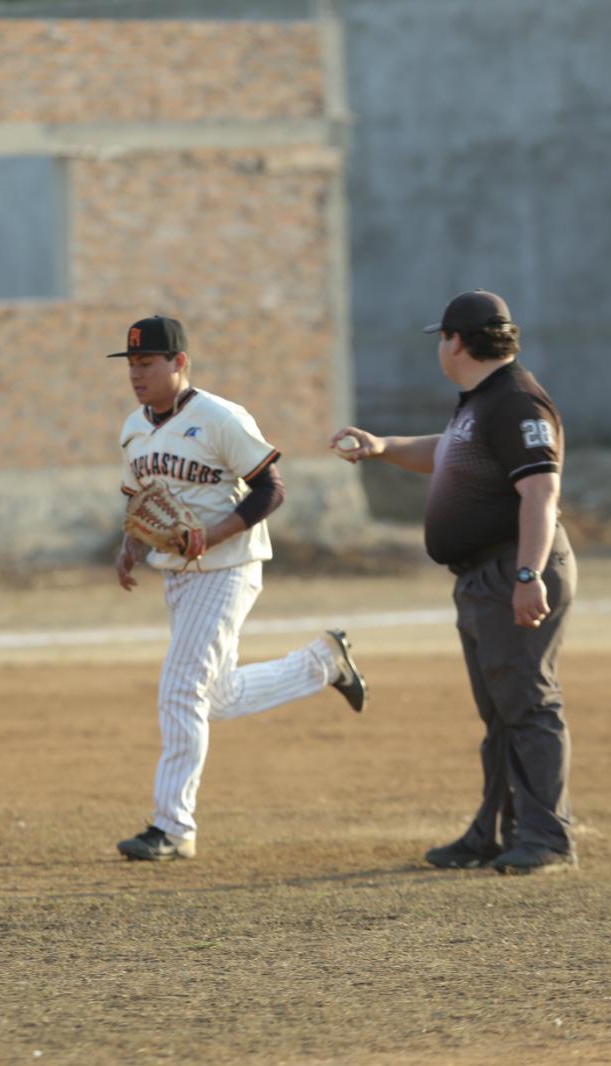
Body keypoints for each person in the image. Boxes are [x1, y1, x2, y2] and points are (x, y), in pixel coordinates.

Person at [332, 290, 576, 874]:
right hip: (485, 575)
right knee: (501, 712)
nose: (440, 348)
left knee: (528, 703)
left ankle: (546, 838)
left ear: (457, 341)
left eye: (441, 337)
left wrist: (528, 574)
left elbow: (541, 491)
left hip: (513, 567)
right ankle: (494, 832)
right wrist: (383, 447)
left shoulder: (517, 402)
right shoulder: (484, 402)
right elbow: (450, 452)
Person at [110, 315, 368, 861]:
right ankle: (324, 663)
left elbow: (270, 489)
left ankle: (173, 827)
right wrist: (130, 546)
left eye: (147, 363)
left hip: (228, 569)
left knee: (181, 690)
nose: (136, 374)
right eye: (131, 364)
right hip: (178, 577)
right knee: (216, 697)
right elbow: (140, 501)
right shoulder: (133, 428)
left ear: (180, 362)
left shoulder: (220, 418)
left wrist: (214, 534)